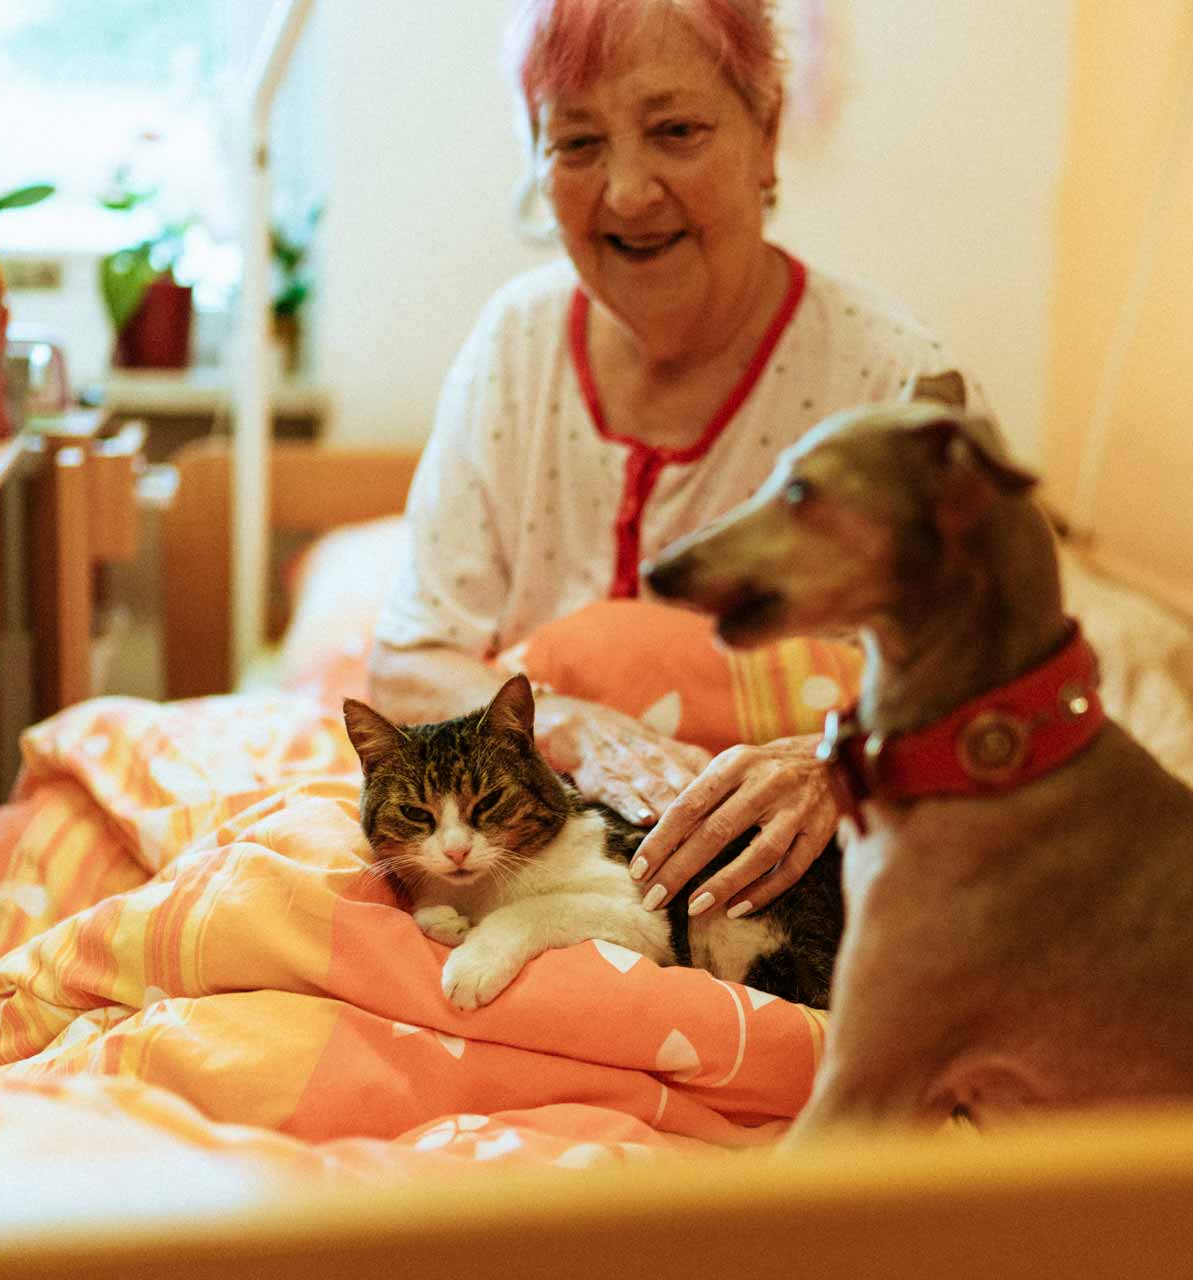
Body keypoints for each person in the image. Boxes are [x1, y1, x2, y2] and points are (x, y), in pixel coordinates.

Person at [368, 0, 983, 924]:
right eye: (576, 144)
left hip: (788, 904)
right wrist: (575, 730)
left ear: (765, 132)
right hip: (526, 886)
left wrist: (835, 764)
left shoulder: (892, 379)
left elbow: (985, 697)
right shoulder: (516, 346)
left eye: (677, 130)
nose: (626, 193)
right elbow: (411, 657)